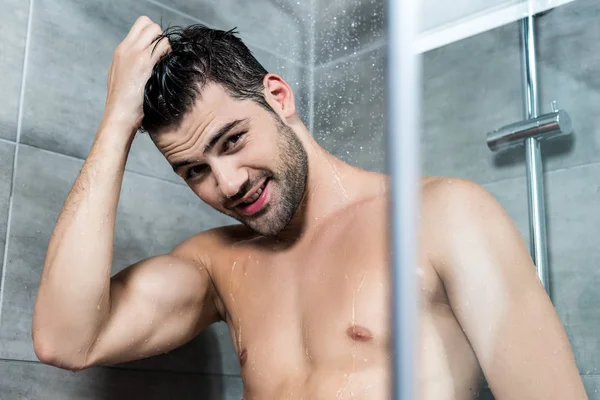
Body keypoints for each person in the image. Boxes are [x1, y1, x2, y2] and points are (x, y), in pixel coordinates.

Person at [32, 16, 587, 399]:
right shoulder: (218, 266)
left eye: (232, 140)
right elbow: (66, 339)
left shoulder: (443, 217)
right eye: (194, 170)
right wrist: (116, 124)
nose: (226, 183)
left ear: (277, 96)